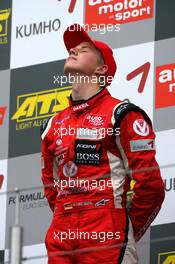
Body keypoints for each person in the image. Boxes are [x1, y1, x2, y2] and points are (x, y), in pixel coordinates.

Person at [41, 23, 165, 264]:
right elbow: (51, 188)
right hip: (60, 236)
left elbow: (151, 186)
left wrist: (123, 228)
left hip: (106, 232)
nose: (73, 50)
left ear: (101, 69)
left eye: (83, 48)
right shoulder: (53, 125)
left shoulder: (122, 114)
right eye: (72, 48)